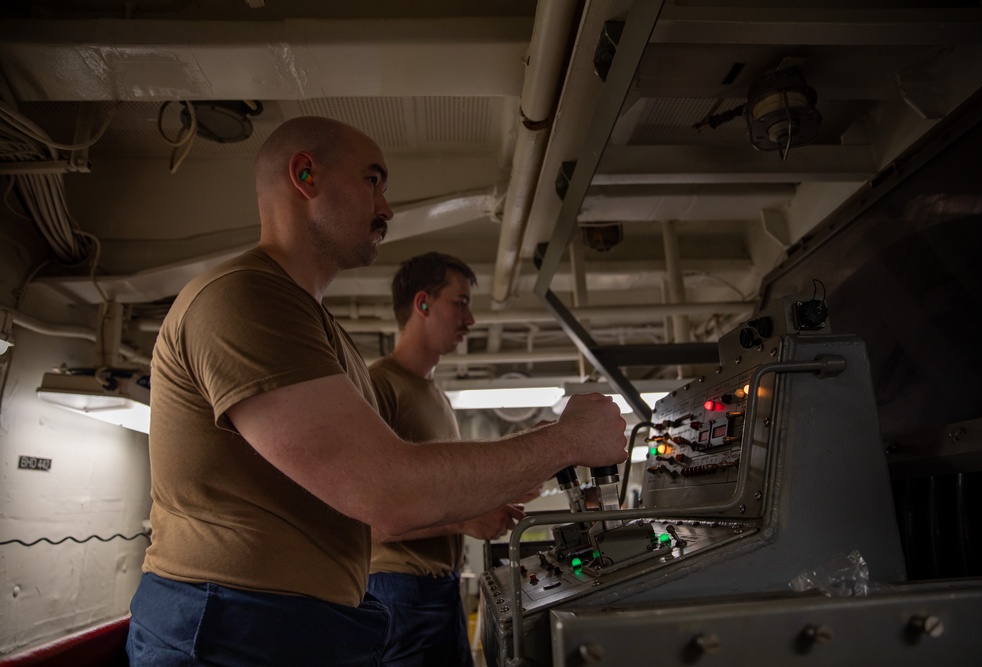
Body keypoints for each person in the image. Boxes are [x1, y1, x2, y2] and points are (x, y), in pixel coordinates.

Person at [126, 116, 627, 667]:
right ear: (305, 175)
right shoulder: (244, 298)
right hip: (231, 626)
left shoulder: (318, 330)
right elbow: (388, 493)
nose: (387, 208)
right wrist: (567, 439)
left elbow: (378, 498)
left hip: (299, 623)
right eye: (372, 180)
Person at [367, 252, 527, 667]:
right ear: (423, 303)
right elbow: (366, 517)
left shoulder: (435, 395)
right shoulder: (378, 387)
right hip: (399, 594)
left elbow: (434, 491)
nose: (470, 319)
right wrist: (464, 521)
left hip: (441, 591)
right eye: (460, 303)